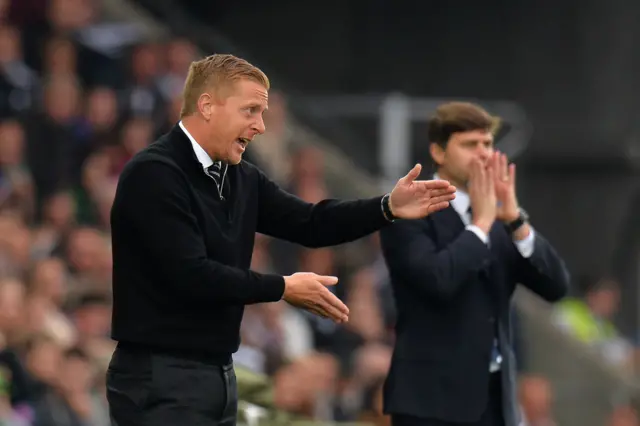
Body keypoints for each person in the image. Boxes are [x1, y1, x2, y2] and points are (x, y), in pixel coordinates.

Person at [105, 53, 457, 426]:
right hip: (160, 376)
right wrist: (282, 287)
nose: (260, 126)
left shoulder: (241, 177)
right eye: (251, 111)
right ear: (207, 106)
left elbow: (310, 222)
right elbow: (190, 274)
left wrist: (387, 207)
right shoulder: (154, 174)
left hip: (218, 375)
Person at [379, 102, 570, 426]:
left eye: (487, 144)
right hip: (431, 404)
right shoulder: (409, 212)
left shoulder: (500, 222)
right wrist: (480, 225)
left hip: (494, 402)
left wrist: (514, 219)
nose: (482, 154)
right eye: (469, 144)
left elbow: (555, 286)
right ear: (438, 153)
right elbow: (438, 280)